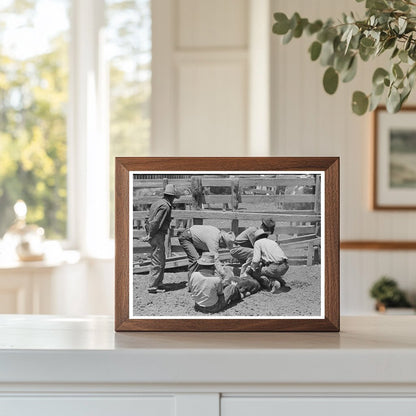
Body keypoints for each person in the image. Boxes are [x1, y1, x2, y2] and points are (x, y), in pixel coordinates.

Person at [145, 184, 176, 294]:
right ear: (171, 197)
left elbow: (147, 217)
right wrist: (151, 234)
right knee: (158, 260)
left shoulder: (157, 203)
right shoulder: (165, 206)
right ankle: (153, 286)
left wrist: (148, 232)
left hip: (154, 233)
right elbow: (157, 222)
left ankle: (158, 283)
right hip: (157, 234)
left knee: (159, 258)